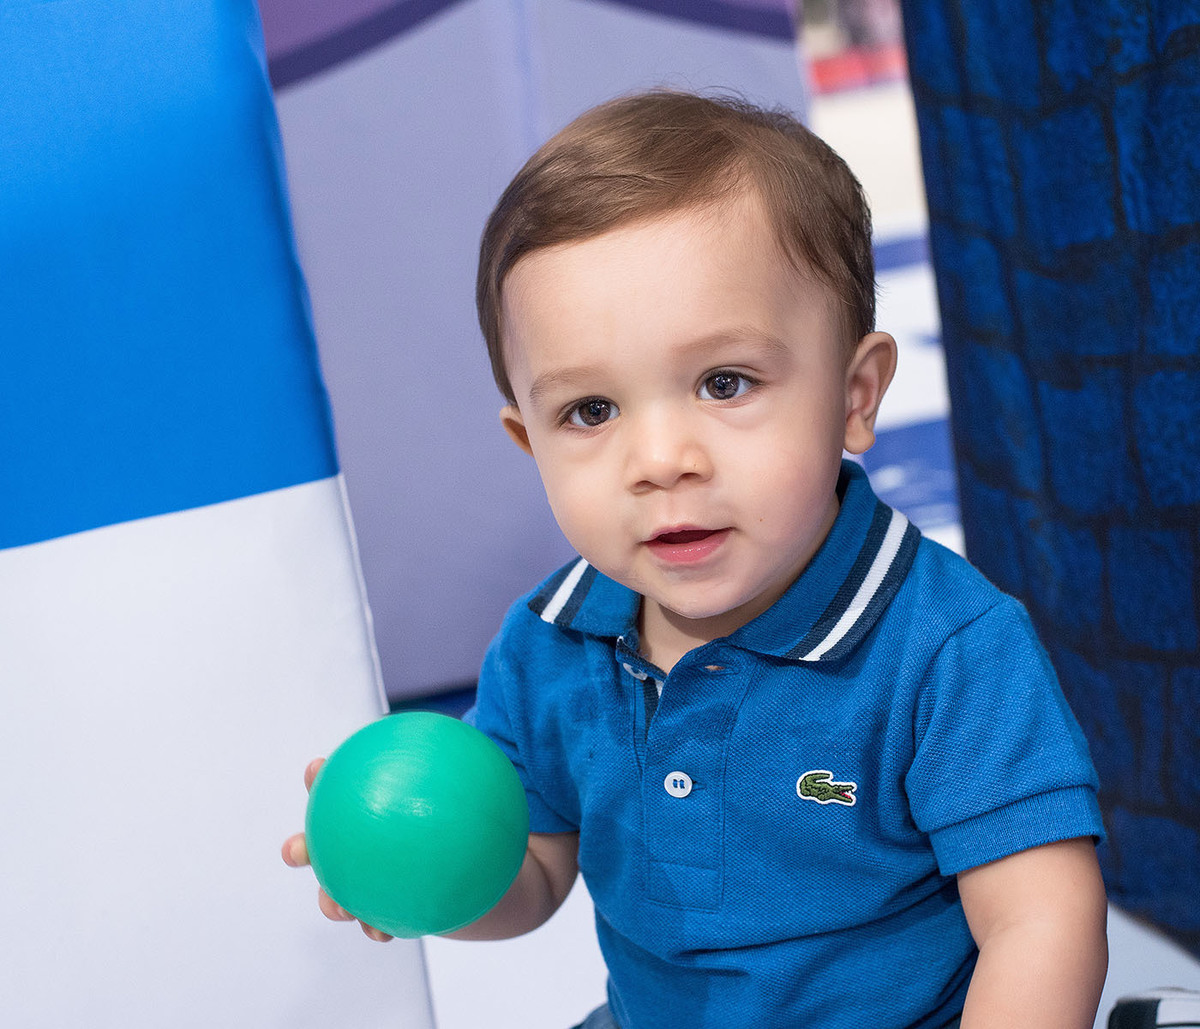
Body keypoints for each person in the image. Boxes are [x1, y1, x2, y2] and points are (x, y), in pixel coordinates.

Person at [284, 90, 1108, 1028]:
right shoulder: (550, 644)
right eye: (591, 411)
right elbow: (535, 871)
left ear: (855, 397)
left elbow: (1039, 919)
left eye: (724, 383)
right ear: (528, 441)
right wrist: (423, 870)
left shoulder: (947, 648)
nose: (661, 459)